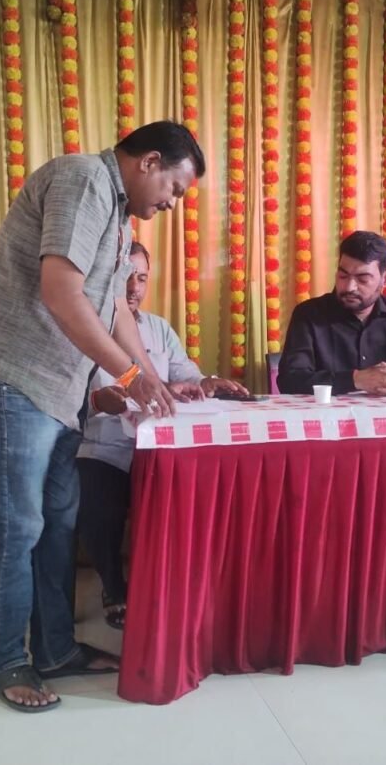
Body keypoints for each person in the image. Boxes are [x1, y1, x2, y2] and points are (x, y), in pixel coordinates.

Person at [0, 121, 205, 712]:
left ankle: (56, 648)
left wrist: (153, 382)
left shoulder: (118, 216)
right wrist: (133, 379)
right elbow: (62, 293)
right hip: (14, 377)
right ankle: (6, 661)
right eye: (174, 188)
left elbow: (115, 311)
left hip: (60, 392)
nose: (172, 203)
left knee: (58, 524)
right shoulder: (84, 179)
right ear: (149, 161)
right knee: (19, 525)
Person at [77, 242, 247, 630]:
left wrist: (206, 382)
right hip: (103, 448)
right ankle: (114, 588)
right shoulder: (82, 329)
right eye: (126, 277)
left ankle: (187, 587)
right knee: (98, 502)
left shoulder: (158, 328)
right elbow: (63, 399)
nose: (134, 287)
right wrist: (100, 401)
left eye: (141, 278)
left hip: (160, 448)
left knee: (206, 490)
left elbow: (185, 375)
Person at [277, 230, 386, 395]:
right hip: (330, 412)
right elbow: (290, 381)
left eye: (362, 279)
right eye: (343, 276)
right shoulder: (309, 314)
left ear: (384, 279)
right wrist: (356, 379)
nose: (349, 287)